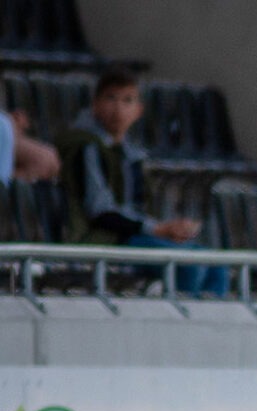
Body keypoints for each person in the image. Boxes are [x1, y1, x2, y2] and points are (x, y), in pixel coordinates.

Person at [55, 64, 228, 296]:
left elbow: (137, 208)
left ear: (138, 110)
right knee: (188, 266)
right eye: (111, 98)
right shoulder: (87, 147)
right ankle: (182, 314)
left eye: (127, 100)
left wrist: (165, 228)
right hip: (102, 239)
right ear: (95, 104)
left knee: (217, 266)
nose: (118, 108)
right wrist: (157, 229)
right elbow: (100, 211)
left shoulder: (131, 154)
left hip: (131, 235)